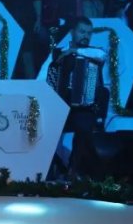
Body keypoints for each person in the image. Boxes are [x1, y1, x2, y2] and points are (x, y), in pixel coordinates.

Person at [46, 16, 109, 178]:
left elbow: (103, 55)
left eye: (89, 33)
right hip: (61, 105)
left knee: (84, 125)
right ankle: (51, 168)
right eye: (82, 32)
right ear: (72, 32)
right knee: (44, 126)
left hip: (83, 108)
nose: (86, 36)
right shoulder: (58, 53)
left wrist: (75, 51)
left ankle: (73, 170)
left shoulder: (94, 53)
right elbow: (47, 77)